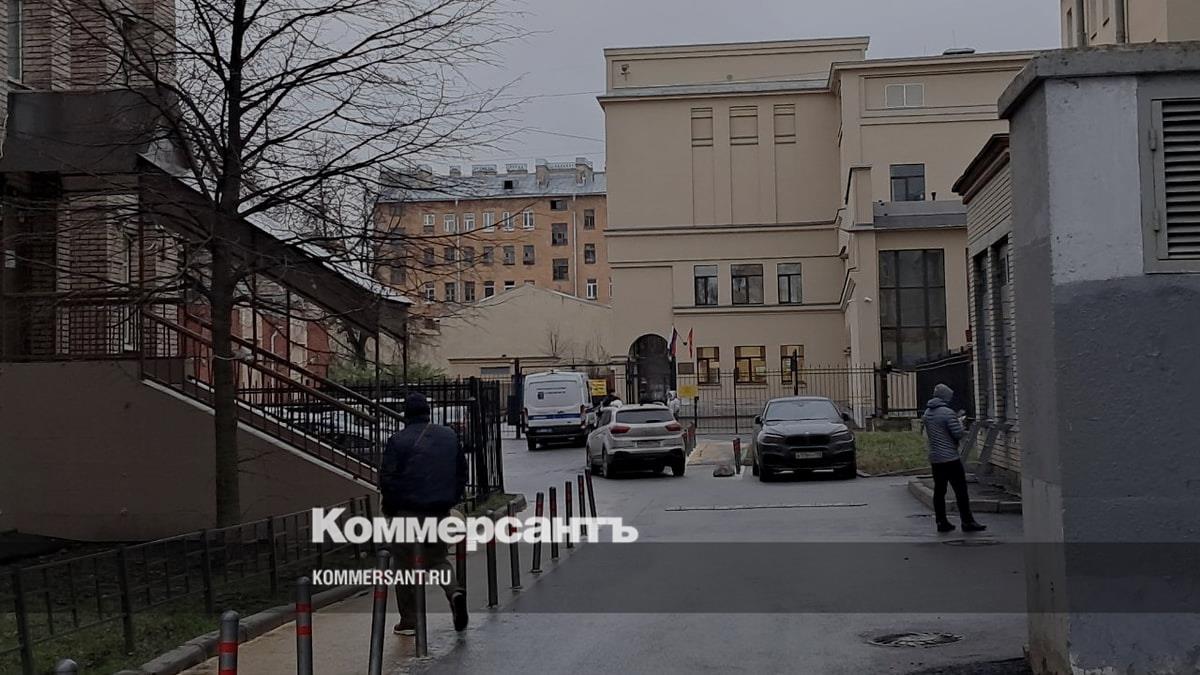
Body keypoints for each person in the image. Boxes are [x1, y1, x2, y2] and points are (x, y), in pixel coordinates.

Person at [379, 392, 469, 635]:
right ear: (428, 412)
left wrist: (391, 509)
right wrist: (451, 499)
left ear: (405, 415)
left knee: (403, 566)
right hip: (439, 511)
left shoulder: (398, 441)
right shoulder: (449, 436)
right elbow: (462, 472)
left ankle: (409, 619)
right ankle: (454, 592)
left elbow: (387, 479)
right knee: (438, 560)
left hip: (407, 513)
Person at [923, 383, 986, 534]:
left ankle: (941, 522)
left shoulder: (927, 412)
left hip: (935, 458)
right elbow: (957, 434)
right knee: (961, 490)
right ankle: (967, 521)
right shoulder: (947, 412)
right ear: (945, 396)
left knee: (939, 491)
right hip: (950, 458)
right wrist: (960, 423)